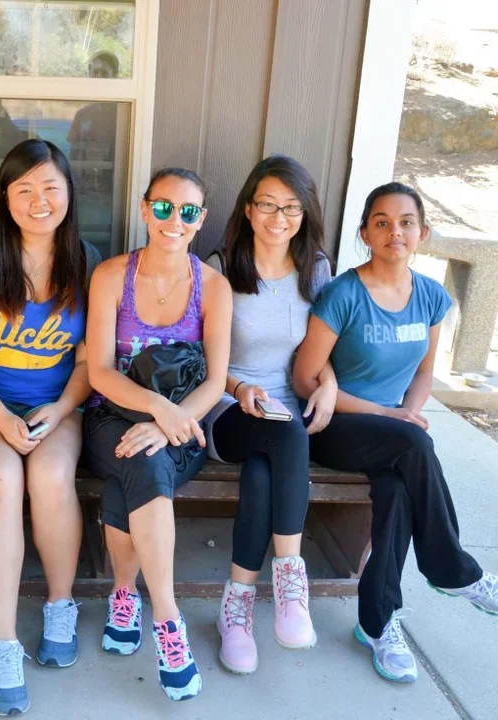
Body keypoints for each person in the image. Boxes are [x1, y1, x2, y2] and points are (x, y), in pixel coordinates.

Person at [293, 182, 498, 684]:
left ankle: (378, 624)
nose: (394, 231)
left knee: (398, 489)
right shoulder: (343, 294)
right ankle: (450, 568)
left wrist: (407, 410)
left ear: (423, 232)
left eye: (406, 221)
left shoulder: (430, 297)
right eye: (381, 222)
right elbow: (304, 379)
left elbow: (425, 374)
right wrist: (394, 419)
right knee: (414, 444)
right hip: (333, 425)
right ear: (365, 233)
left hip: (394, 438)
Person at [0, 139, 98, 716]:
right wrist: (3, 418)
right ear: (5, 196)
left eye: (50, 188)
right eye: (24, 189)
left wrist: (57, 412)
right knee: (4, 482)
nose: (39, 201)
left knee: (53, 479)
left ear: (68, 194)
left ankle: (61, 606)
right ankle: (3, 642)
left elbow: (87, 363)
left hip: (57, 407)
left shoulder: (85, 260)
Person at [84, 167, 231, 701]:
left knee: (141, 466)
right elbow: (99, 371)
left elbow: (216, 380)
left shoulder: (212, 287)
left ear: (201, 220)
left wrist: (169, 422)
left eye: (188, 211)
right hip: (111, 416)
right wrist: (152, 409)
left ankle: (128, 596)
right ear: (145, 209)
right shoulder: (110, 276)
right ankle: (169, 620)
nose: (175, 219)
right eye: (164, 207)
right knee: (137, 457)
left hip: (183, 421)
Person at [202, 156, 334, 675]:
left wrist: (331, 384)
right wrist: (240, 387)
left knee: (263, 471)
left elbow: (327, 349)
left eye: (292, 207)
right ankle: (289, 576)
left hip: (287, 408)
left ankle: (236, 607)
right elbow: (203, 360)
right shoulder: (220, 268)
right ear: (249, 209)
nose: (279, 217)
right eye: (268, 205)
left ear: (305, 213)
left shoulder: (316, 270)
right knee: (283, 439)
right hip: (227, 404)